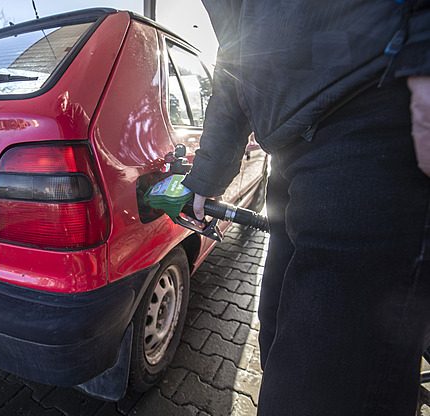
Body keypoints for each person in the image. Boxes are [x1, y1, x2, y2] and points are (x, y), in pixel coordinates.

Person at [180, 1, 430, 414]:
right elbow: (234, 60)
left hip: (371, 107)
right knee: (275, 332)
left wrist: (423, 48)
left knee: (319, 391)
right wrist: (208, 174)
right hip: (291, 147)